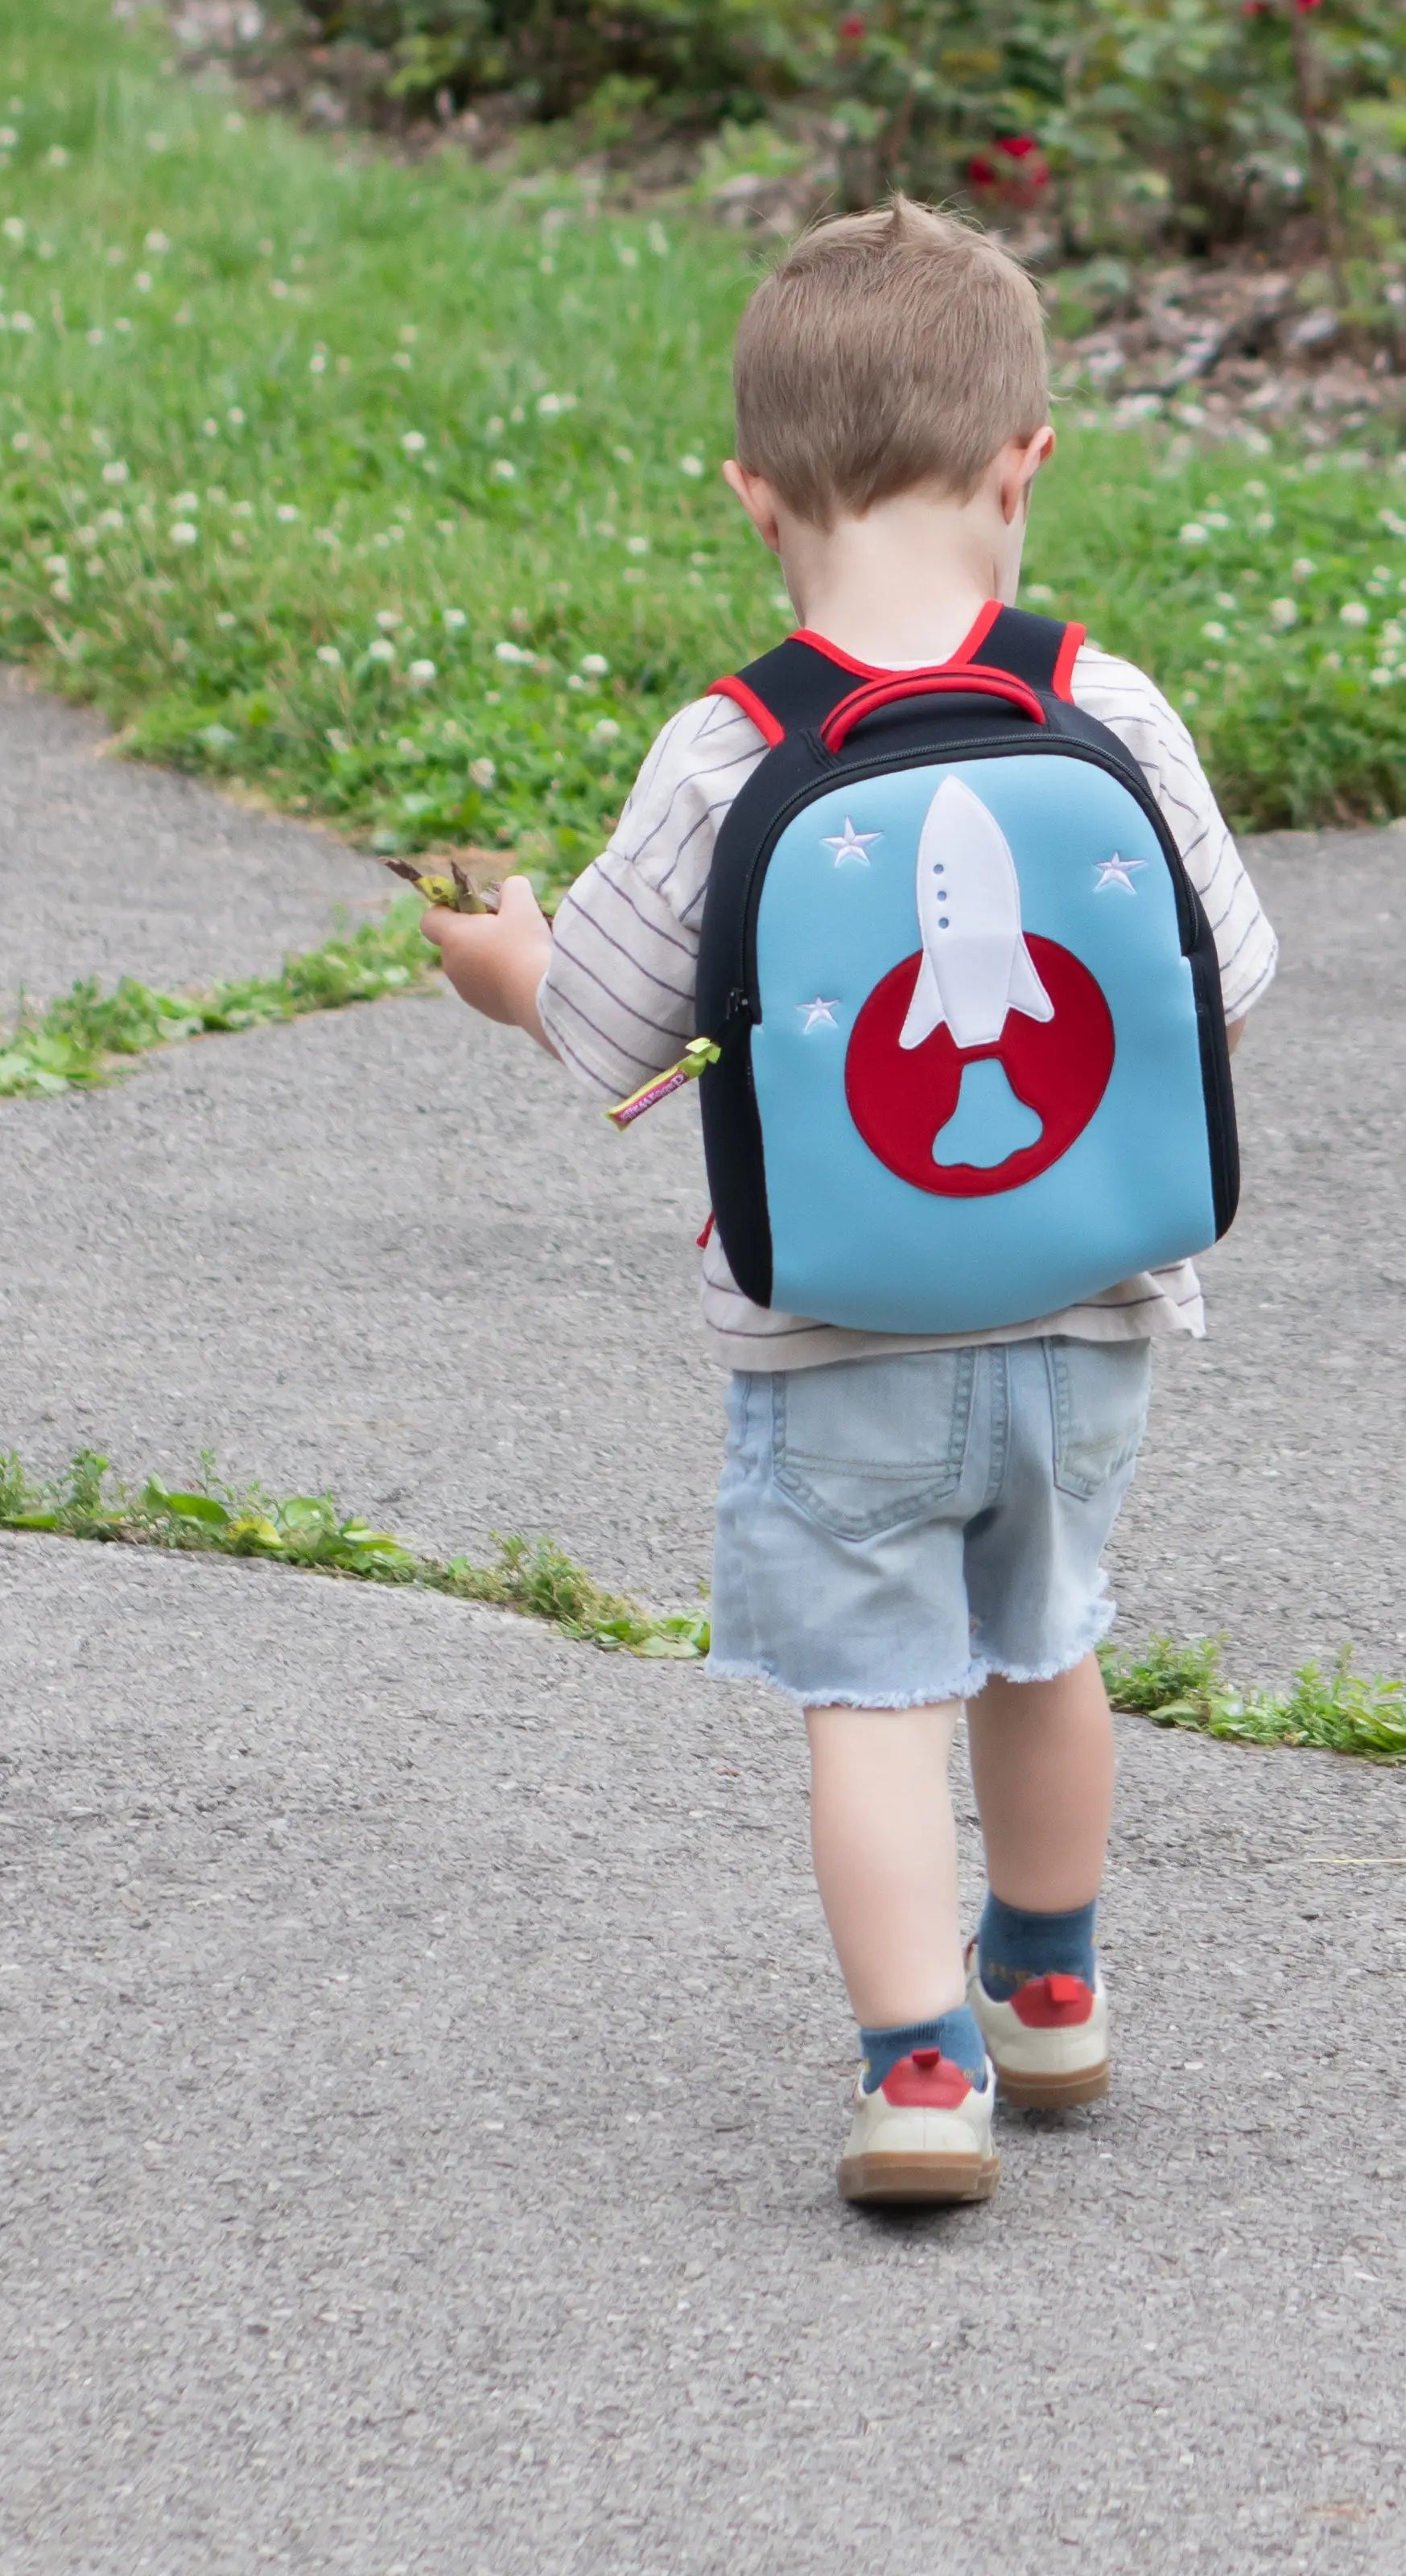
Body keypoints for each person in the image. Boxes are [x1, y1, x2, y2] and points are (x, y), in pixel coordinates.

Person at [419, 199, 1275, 2211]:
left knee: (875, 1705)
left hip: (833, 1343)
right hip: (1089, 1308)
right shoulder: (1110, 708)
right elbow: (1226, 978)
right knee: (1045, 1647)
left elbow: (609, 1031)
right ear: (1024, 465)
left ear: (750, 497)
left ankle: (918, 2079)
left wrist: (499, 949)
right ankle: (1047, 1990)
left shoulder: (730, 750)